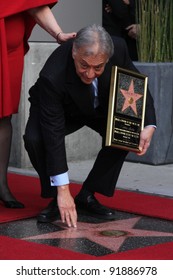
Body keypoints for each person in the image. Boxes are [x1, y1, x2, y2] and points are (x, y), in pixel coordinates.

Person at [24, 24, 156, 228]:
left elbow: (136, 84)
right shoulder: (53, 74)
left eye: (98, 67)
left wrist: (148, 124)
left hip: (98, 106)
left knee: (127, 133)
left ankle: (87, 194)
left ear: (108, 58)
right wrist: (63, 189)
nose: (89, 74)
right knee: (35, 139)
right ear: (74, 52)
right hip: (60, 109)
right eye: (84, 65)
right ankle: (56, 196)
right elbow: (54, 133)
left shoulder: (118, 48)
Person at [0, 0, 76, 209]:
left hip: (9, 54)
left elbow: (35, 4)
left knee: (4, 116)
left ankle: (2, 185)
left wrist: (59, 35)